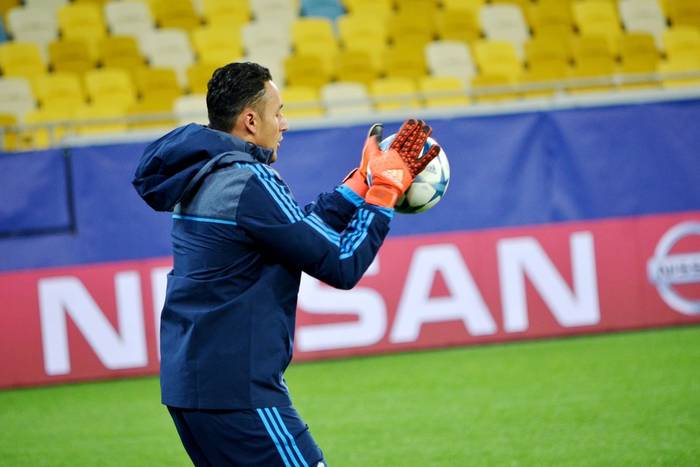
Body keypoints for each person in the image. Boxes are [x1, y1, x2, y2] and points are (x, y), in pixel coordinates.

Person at [132, 61, 440, 467]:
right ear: (250, 121)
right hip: (238, 394)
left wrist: (362, 180)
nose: (284, 124)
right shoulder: (249, 180)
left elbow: (295, 233)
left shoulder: (201, 175)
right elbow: (342, 263)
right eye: (277, 113)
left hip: (191, 387)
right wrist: (384, 190)